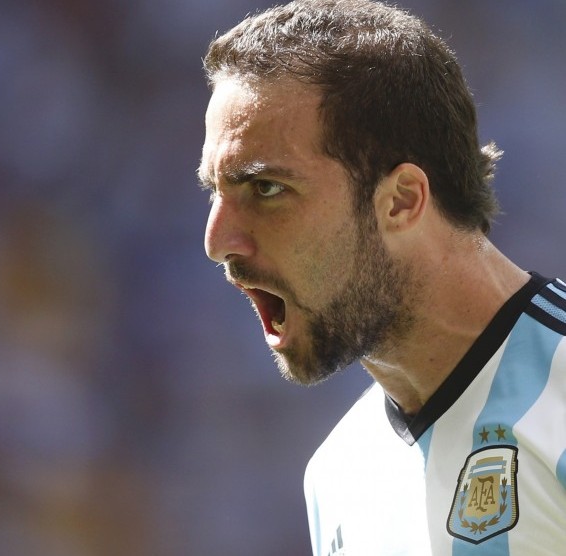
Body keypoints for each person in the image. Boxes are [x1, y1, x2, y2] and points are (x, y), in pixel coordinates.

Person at [197, 0, 566, 553]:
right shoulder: (337, 474)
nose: (216, 241)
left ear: (401, 201)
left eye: (267, 188)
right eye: (214, 191)